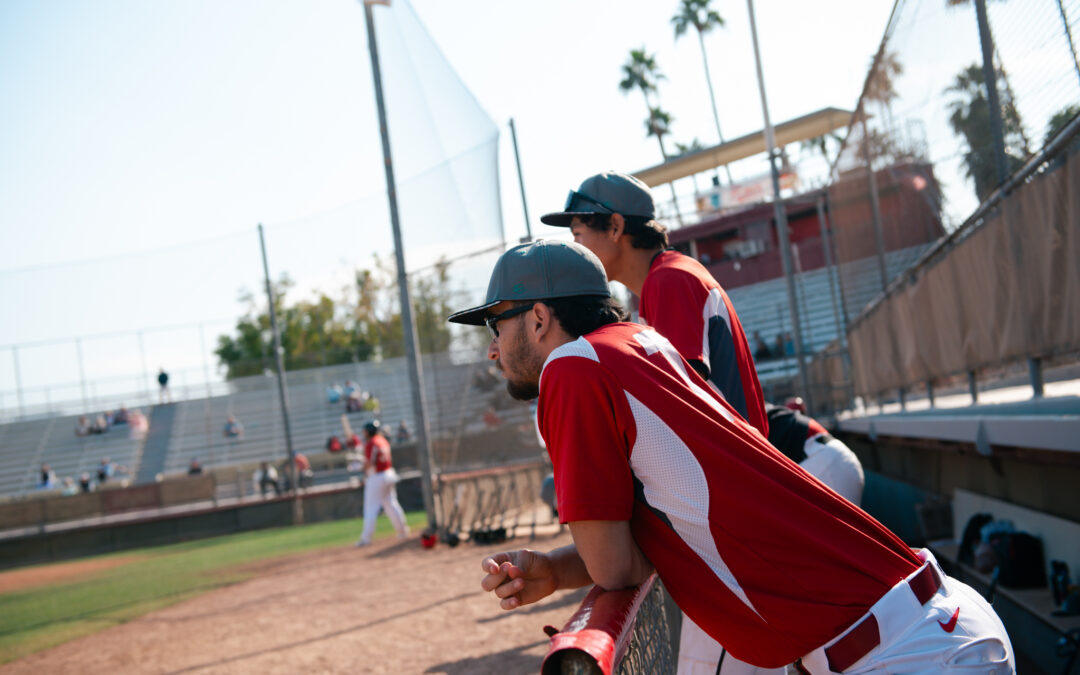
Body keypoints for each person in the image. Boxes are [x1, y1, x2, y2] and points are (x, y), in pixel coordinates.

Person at [449, 240, 1013, 673]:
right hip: (916, 629)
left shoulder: (571, 368)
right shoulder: (640, 342)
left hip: (903, 654)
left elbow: (616, 567)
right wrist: (555, 569)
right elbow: (653, 538)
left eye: (498, 323)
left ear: (541, 318)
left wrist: (572, 566)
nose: (494, 348)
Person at [542, 171, 767, 438]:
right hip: (735, 459)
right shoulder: (664, 277)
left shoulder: (669, 279)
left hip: (735, 464)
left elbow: (678, 399)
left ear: (615, 227)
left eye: (578, 234)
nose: (576, 247)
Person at [356, 420, 409, 547]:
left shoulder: (371, 443)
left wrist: (361, 467)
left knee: (371, 508)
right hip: (389, 474)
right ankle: (403, 531)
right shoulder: (383, 440)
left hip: (377, 477)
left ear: (369, 431)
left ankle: (366, 538)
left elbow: (370, 463)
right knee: (391, 504)